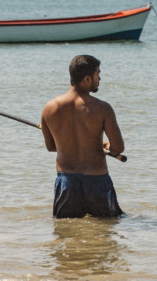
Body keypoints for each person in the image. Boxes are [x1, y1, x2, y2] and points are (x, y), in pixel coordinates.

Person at [41, 54, 125, 219]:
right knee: (106, 227)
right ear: (87, 79)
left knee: (66, 229)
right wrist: (105, 146)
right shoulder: (103, 108)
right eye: (97, 75)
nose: (99, 79)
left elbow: (51, 147)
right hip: (97, 180)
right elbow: (118, 148)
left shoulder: (49, 108)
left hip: (67, 181)